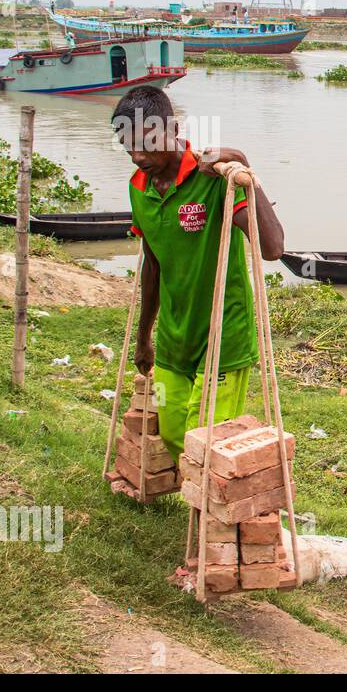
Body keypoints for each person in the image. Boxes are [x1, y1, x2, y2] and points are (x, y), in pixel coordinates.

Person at [110, 86, 285, 463]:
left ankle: (215, 514)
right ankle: (203, 496)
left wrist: (243, 165)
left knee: (206, 443)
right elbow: (153, 264)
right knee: (174, 433)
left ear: (171, 129)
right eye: (127, 146)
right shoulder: (138, 187)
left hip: (224, 336)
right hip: (175, 336)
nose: (137, 156)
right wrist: (144, 336)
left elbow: (272, 248)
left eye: (145, 143)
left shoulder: (214, 178)